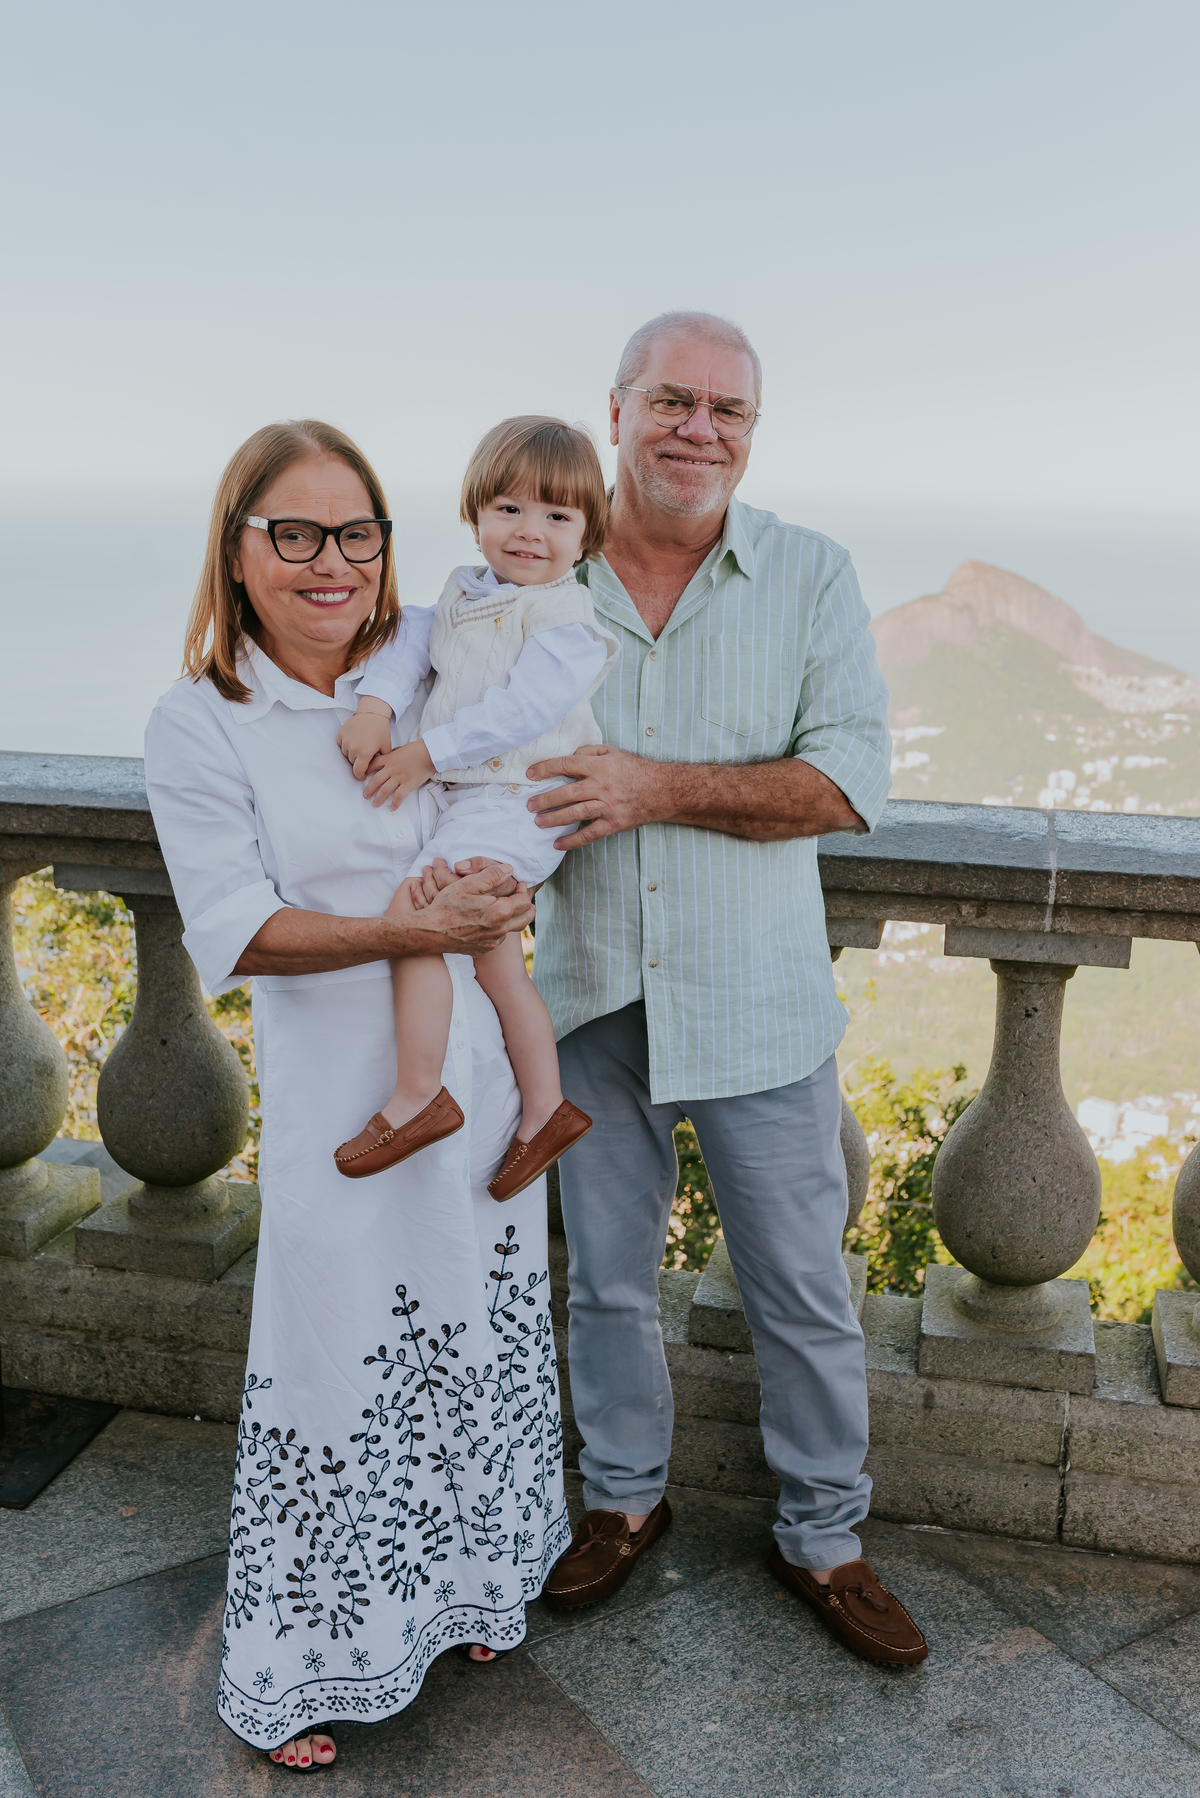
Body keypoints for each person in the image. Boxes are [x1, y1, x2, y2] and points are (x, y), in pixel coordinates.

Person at [143, 419, 571, 1774]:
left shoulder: (434, 669)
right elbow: (238, 928)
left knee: (471, 1335)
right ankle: (299, 1663)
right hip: (346, 1102)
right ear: (237, 549)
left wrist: (505, 884)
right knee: (334, 1363)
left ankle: (473, 1592)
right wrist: (413, 933)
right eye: (296, 533)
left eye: (357, 532)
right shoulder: (203, 720)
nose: (332, 561)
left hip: (478, 1085)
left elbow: (514, 800)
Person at [527, 311, 929, 1665]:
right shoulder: (539, 571)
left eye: (729, 410)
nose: (701, 429)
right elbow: (467, 745)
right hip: (590, 995)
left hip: (758, 1005)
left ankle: (826, 1538)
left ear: (752, 431)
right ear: (619, 410)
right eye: (673, 401)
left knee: (802, 1291)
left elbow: (848, 782)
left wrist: (651, 787)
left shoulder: (811, 574)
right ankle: (621, 1501)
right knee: (606, 1283)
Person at [331, 417, 617, 1195]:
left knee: (415, 915)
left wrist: (425, 753)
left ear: (587, 535)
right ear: (476, 514)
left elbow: (523, 710)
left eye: (557, 516)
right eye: (509, 509)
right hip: (479, 803)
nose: (530, 532)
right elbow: (408, 641)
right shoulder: (465, 591)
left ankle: (419, 1095)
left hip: (519, 801)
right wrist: (376, 709)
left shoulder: (564, 620)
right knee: (494, 959)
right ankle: (546, 1108)